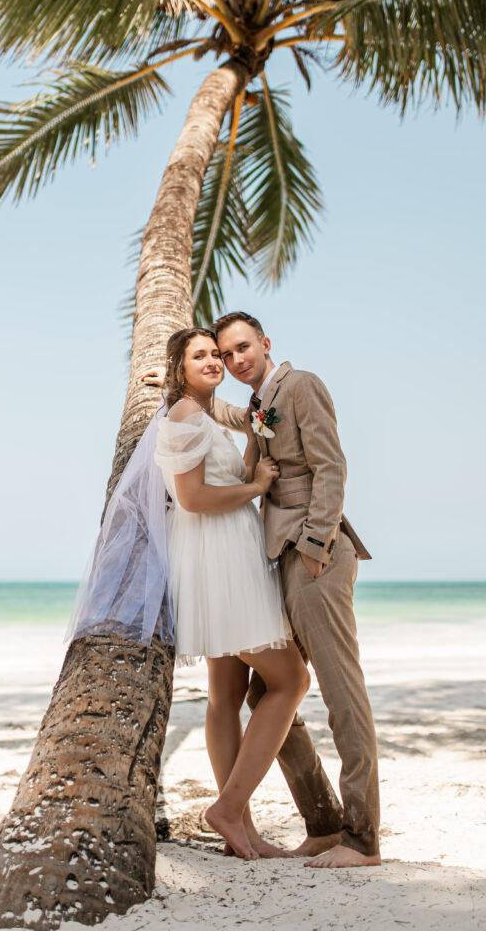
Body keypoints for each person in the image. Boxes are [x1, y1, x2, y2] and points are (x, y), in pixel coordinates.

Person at [208, 312, 381, 869]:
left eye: (242, 348)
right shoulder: (261, 402)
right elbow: (235, 414)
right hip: (279, 559)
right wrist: (175, 387)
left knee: (340, 692)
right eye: (227, 354)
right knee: (267, 696)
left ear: (265, 343)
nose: (236, 360)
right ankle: (325, 824)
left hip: (316, 558)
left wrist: (314, 542)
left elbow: (332, 465)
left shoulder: (300, 384)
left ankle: (362, 838)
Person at [153, 326, 311, 860]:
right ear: (182, 367)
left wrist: (249, 462)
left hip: (224, 555)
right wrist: (257, 487)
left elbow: (236, 432)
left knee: (225, 696)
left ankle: (239, 826)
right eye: (200, 356)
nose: (215, 361)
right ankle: (229, 806)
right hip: (222, 560)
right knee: (291, 680)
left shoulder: (204, 413)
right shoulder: (184, 416)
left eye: (216, 354)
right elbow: (193, 498)